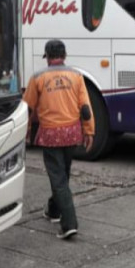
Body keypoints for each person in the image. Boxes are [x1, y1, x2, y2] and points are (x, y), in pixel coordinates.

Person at [22, 39, 94, 240]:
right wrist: (89, 132)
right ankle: (53, 211)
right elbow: (86, 108)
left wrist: (25, 132)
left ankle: (69, 223)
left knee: (58, 178)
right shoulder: (76, 76)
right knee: (62, 175)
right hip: (72, 134)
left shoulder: (37, 78)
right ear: (64, 56)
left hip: (51, 134)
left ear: (47, 57)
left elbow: (28, 109)